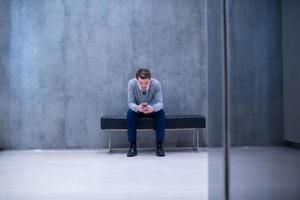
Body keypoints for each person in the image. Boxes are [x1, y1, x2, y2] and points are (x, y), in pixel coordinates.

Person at [127, 68, 165, 157]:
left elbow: (160, 102)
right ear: (137, 80)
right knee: (130, 114)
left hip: (152, 108)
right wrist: (137, 107)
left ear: (150, 79)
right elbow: (130, 102)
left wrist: (153, 108)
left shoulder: (156, 84)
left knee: (161, 113)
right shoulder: (131, 83)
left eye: (146, 83)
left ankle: (159, 146)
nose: (143, 85)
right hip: (138, 108)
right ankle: (132, 146)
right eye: (141, 83)